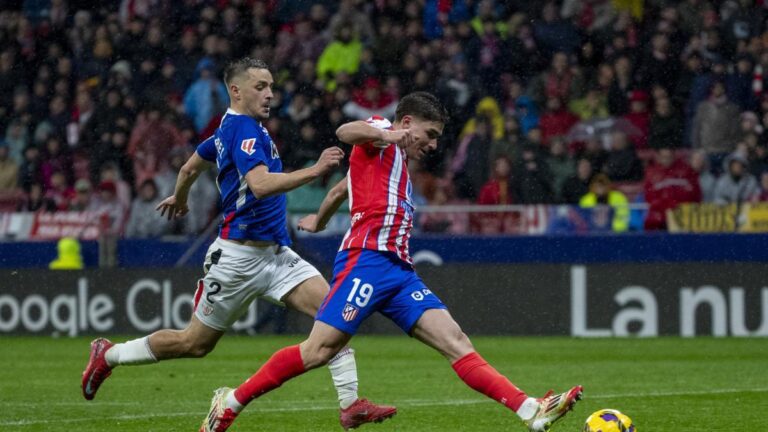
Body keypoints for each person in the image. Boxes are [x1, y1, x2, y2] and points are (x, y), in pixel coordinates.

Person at [200, 92, 582, 432]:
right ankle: (230, 403)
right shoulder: (381, 131)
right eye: (429, 134)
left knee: (456, 341)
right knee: (319, 350)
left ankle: (531, 409)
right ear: (407, 123)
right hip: (364, 262)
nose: (432, 145)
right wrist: (387, 134)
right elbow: (345, 131)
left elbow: (340, 187)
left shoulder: (393, 162)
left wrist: (319, 219)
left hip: (399, 272)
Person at [81, 58, 395, 430]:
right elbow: (260, 185)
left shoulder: (231, 130)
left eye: (271, 86)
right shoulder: (243, 130)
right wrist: (315, 171)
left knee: (334, 317)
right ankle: (109, 354)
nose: (270, 94)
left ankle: (350, 404)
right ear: (236, 90)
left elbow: (189, 168)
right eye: (261, 86)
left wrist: (180, 196)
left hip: (277, 255)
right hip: (238, 258)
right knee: (194, 344)